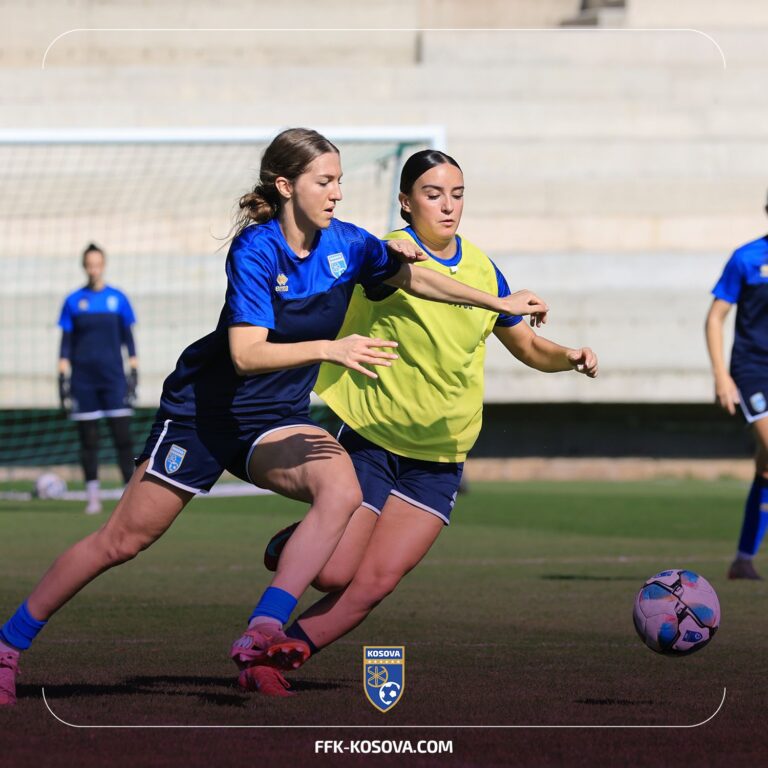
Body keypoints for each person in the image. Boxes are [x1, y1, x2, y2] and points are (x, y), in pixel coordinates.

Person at [0, 129, 549, 706]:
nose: (337, 193)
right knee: (122, 541)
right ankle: (9, 645)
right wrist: (331, 349)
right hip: (204, 416)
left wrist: (497, 303)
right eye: (325, 181)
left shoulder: (348, 244)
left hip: (275, 420)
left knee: (340, 488)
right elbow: (246, 354)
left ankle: (264, 627)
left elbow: (413, 276)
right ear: (286, 186)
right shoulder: (256, 250)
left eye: (339, 181)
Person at [253, 149, 598, 696]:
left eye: (456, 195)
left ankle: (277, 657)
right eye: (433, 195)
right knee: (334, 572)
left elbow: (529, 346)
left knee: (375, 583)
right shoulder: (387, 252)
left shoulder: (483, 269)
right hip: (371, 437)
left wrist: (570, 357)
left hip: (440, 454)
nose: (447, 206)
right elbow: (360, 265)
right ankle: (301, 538)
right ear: (406, 202)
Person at [706, 201, 768, 580]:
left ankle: (743, 560)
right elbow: (715, 318)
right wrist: (721, 376)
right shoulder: (747, 258)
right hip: (753, 371)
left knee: (766, 466)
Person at [58, 243, 139, 515]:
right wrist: (62, 377)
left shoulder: (118, 299)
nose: (93, 269)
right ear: (84, 266)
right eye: (89, 264)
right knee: (89, 441)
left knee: (123, 439)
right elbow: (65, 344)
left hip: (113, 379)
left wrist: (134, 372)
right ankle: (92, 498)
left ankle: (129, 498)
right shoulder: (73, 301)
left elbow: (129, 340)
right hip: (83, 381)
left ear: (103, 265)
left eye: (97, 264)